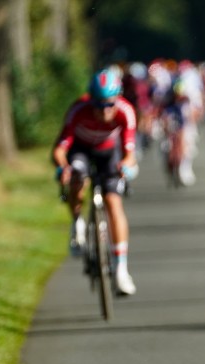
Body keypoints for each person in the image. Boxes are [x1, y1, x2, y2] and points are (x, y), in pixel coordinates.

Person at [53, 68, 139, 296]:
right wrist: (64, 168)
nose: (105, 111)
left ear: (117, 99)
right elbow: (60, 149)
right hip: (80, 150)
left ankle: (121, 270)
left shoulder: (125, 111)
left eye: (110, 104)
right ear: (90, 100)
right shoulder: (78, 111)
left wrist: (126, 165)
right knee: (77, 178)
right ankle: (77, 222)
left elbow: (129, 151)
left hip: (107, 153)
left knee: (113, 202)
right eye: (99, 105)